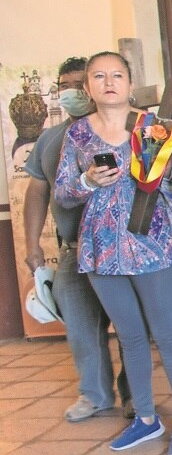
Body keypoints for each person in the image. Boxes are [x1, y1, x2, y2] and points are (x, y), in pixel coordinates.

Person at [54, 51, 172, 455]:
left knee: (168, 334)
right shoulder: (78, 134)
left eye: (116, 75)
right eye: (98, 76)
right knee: (131, 337)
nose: (108, 82)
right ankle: (145, 418)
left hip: (152, 242)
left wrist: (162, 164)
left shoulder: (151, 125)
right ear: (86, 89)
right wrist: (87, 179)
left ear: (129, 82)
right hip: (101, 248)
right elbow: (63, 193)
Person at [24, 56, 129, 422]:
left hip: (120, 246)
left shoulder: (124, 129)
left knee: (130, 327)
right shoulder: (51, 140)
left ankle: (134, 396)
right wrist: (32, 244)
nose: (71, 92)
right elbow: (37, 193)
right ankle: (96, 395)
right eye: (64, 85)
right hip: (73, 249)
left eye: (77, 83)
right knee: (82, 328)